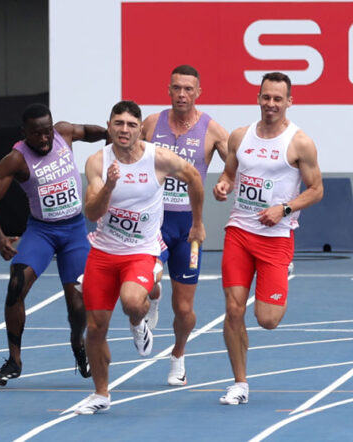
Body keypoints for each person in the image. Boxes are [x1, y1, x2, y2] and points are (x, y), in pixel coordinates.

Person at [75, 101, 205, 414]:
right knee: (95, 328)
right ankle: (101, 394)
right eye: (118, 123)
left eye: (131, 125)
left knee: (132, 301)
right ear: (109, 126)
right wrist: (109, 186)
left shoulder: (158, 158)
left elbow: (195, 179)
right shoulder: (97, 162)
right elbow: (91, 212)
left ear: (140, 129)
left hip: (142, 250)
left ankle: (138, 322)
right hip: (104, 252)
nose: (124, 130)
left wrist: (198, 223)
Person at [213, 72, 323, 405]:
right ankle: (240, 383)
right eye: (266, 97)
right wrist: (223, 186)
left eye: (278, 98)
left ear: (290, 101)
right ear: (258, 98)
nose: (271, 104)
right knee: (233, 309)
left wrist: (284, 208)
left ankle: (278, 280)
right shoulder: (239, 136)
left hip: (276, 238)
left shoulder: (299, 142)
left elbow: (317, 190)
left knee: (268, 320)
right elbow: (230, 174)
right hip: (240, 232)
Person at [0, 103, 107, 386]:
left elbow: (88, 131)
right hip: (42, 231)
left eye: (47, 131)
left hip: (74, 230)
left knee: (78, 303)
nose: (45, 139)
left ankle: (78, 343)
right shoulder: (16, 159)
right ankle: (14, 361)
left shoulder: (63, 133)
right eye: (36, 134)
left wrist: (110, 136)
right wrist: (0, 237)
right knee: (15, 286)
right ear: (24, 133)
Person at [141, 65, 228, 385]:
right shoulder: (152, 123)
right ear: (168, 89)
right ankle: (153, 294)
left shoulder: (213, 130)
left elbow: (233, 164)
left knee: (184, 306)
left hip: (190, 230)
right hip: (152, 222)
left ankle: (178, 355)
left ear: (198, 92)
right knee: (144, 283)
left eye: (188, 89)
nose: (182, 94)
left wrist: (226, 184)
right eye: (177, 88)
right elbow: (127, 154)